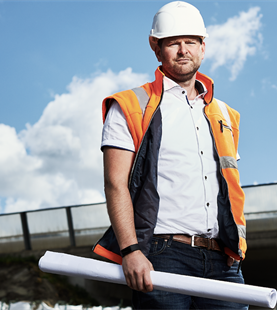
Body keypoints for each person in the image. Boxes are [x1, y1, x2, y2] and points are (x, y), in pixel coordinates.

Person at [92, 1, 248, 309]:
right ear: (156, 47)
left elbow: (228, 186)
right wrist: (131, 250)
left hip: (224, 260)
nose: (183, 50)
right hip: (162, 254)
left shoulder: (225, 115)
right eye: (172, 42)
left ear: (203, 47)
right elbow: (115, 183)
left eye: (190, 41)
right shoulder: (131, 104)